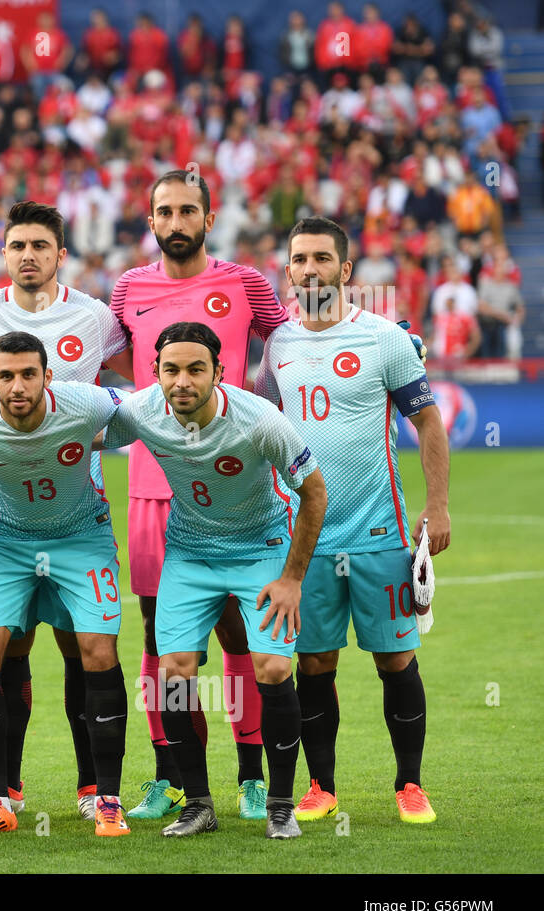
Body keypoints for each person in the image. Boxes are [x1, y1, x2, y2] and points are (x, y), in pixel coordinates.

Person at [0, 201, 130, 821]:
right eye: (17, 245)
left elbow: (130, 400)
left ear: (60, 254)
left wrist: (96, 441)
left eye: (40, 246)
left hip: (79, 510)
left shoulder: (95, 317)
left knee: (84, 651)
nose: (28, 256)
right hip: (6, 518)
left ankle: (96, 790)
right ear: (4, 253)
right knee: (2, 651)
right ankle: (3, 790)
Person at [255, 217, 450, 824]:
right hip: (304, 544)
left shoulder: (384, 339)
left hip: (379, 534)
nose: (309, 268)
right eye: (298, 259)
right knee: (315, 663)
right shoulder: (278, 347)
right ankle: (322, 786)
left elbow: (429, 422)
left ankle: (410, 785)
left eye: (321, 258)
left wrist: (437, 504)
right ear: (287, 271)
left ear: (345, 270)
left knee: (395, 659)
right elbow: (264, 427)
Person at [100, 321, 328, 840]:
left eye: (196, 369)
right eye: (171, 369)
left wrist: (292, 579)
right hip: (189, 552)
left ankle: (280, 805)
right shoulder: (140, 411)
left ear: (220, 373)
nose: (183, 380)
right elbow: (89, 431)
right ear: (155, 373)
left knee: (271, 667)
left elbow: (313, 491)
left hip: (261, 549)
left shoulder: (260, 420)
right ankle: (198, 804)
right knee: (174, 672)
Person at [109, 171, 287, 822]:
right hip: (153, 494)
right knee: (161, 643)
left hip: (239, 494)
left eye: (188, 210)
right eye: (164, 211)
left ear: (208, 218)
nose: (176, 220)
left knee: (243, 637)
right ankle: (173, 778)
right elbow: (95, 367)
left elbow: (291, 349)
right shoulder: (128, 289)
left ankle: (252, 775)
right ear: (149, 220)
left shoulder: (245, 285)